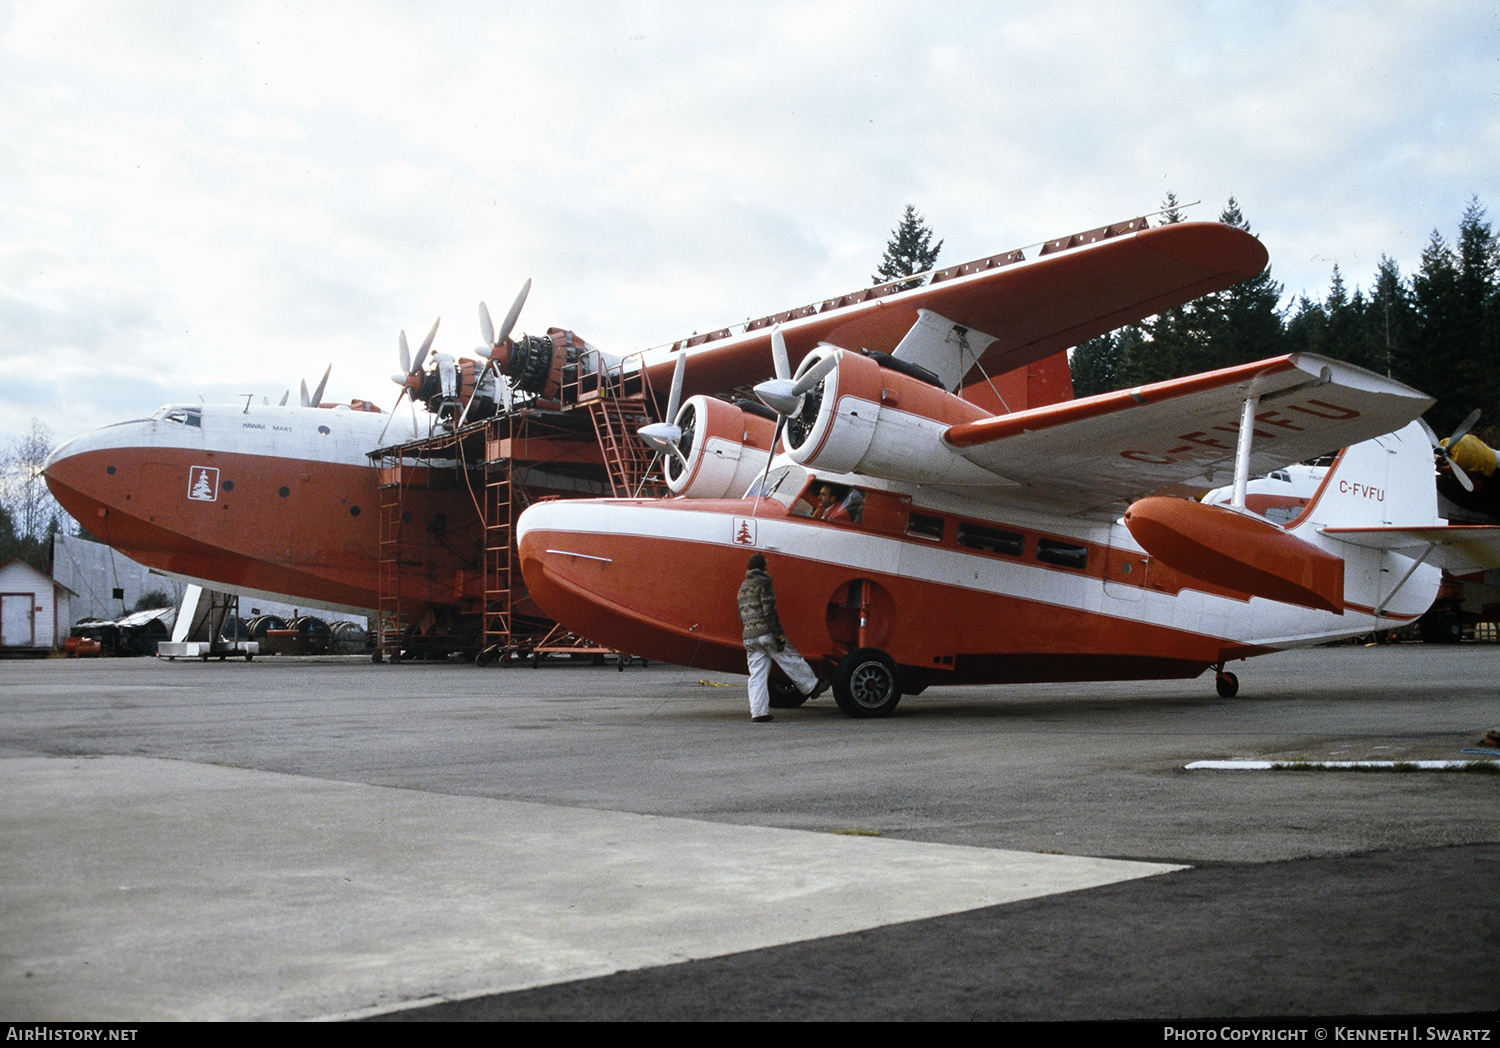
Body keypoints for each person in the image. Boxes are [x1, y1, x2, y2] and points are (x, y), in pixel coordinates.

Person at [737, 553, 823, 722]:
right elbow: (769, 610)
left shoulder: (743, 587)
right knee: (790, 657)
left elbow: (741, 616)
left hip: (749, 637)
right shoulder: (764, 582)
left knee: (757, 675)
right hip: (766, 633)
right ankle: (811, 687)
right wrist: (777, 633)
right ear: (763, 566)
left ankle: (759, 712)